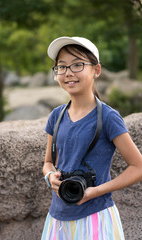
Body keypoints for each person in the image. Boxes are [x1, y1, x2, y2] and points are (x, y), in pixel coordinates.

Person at [41, 36, 142, 240]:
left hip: (95, 218)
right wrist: (50, 176)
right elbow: (48, 163)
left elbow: (138, 167)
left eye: (78, 65)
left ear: (96, 70)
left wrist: (95, 191)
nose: (68, 72)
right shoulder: (56, 115)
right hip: (57, 218)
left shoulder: (108, 117)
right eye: (62, 67)